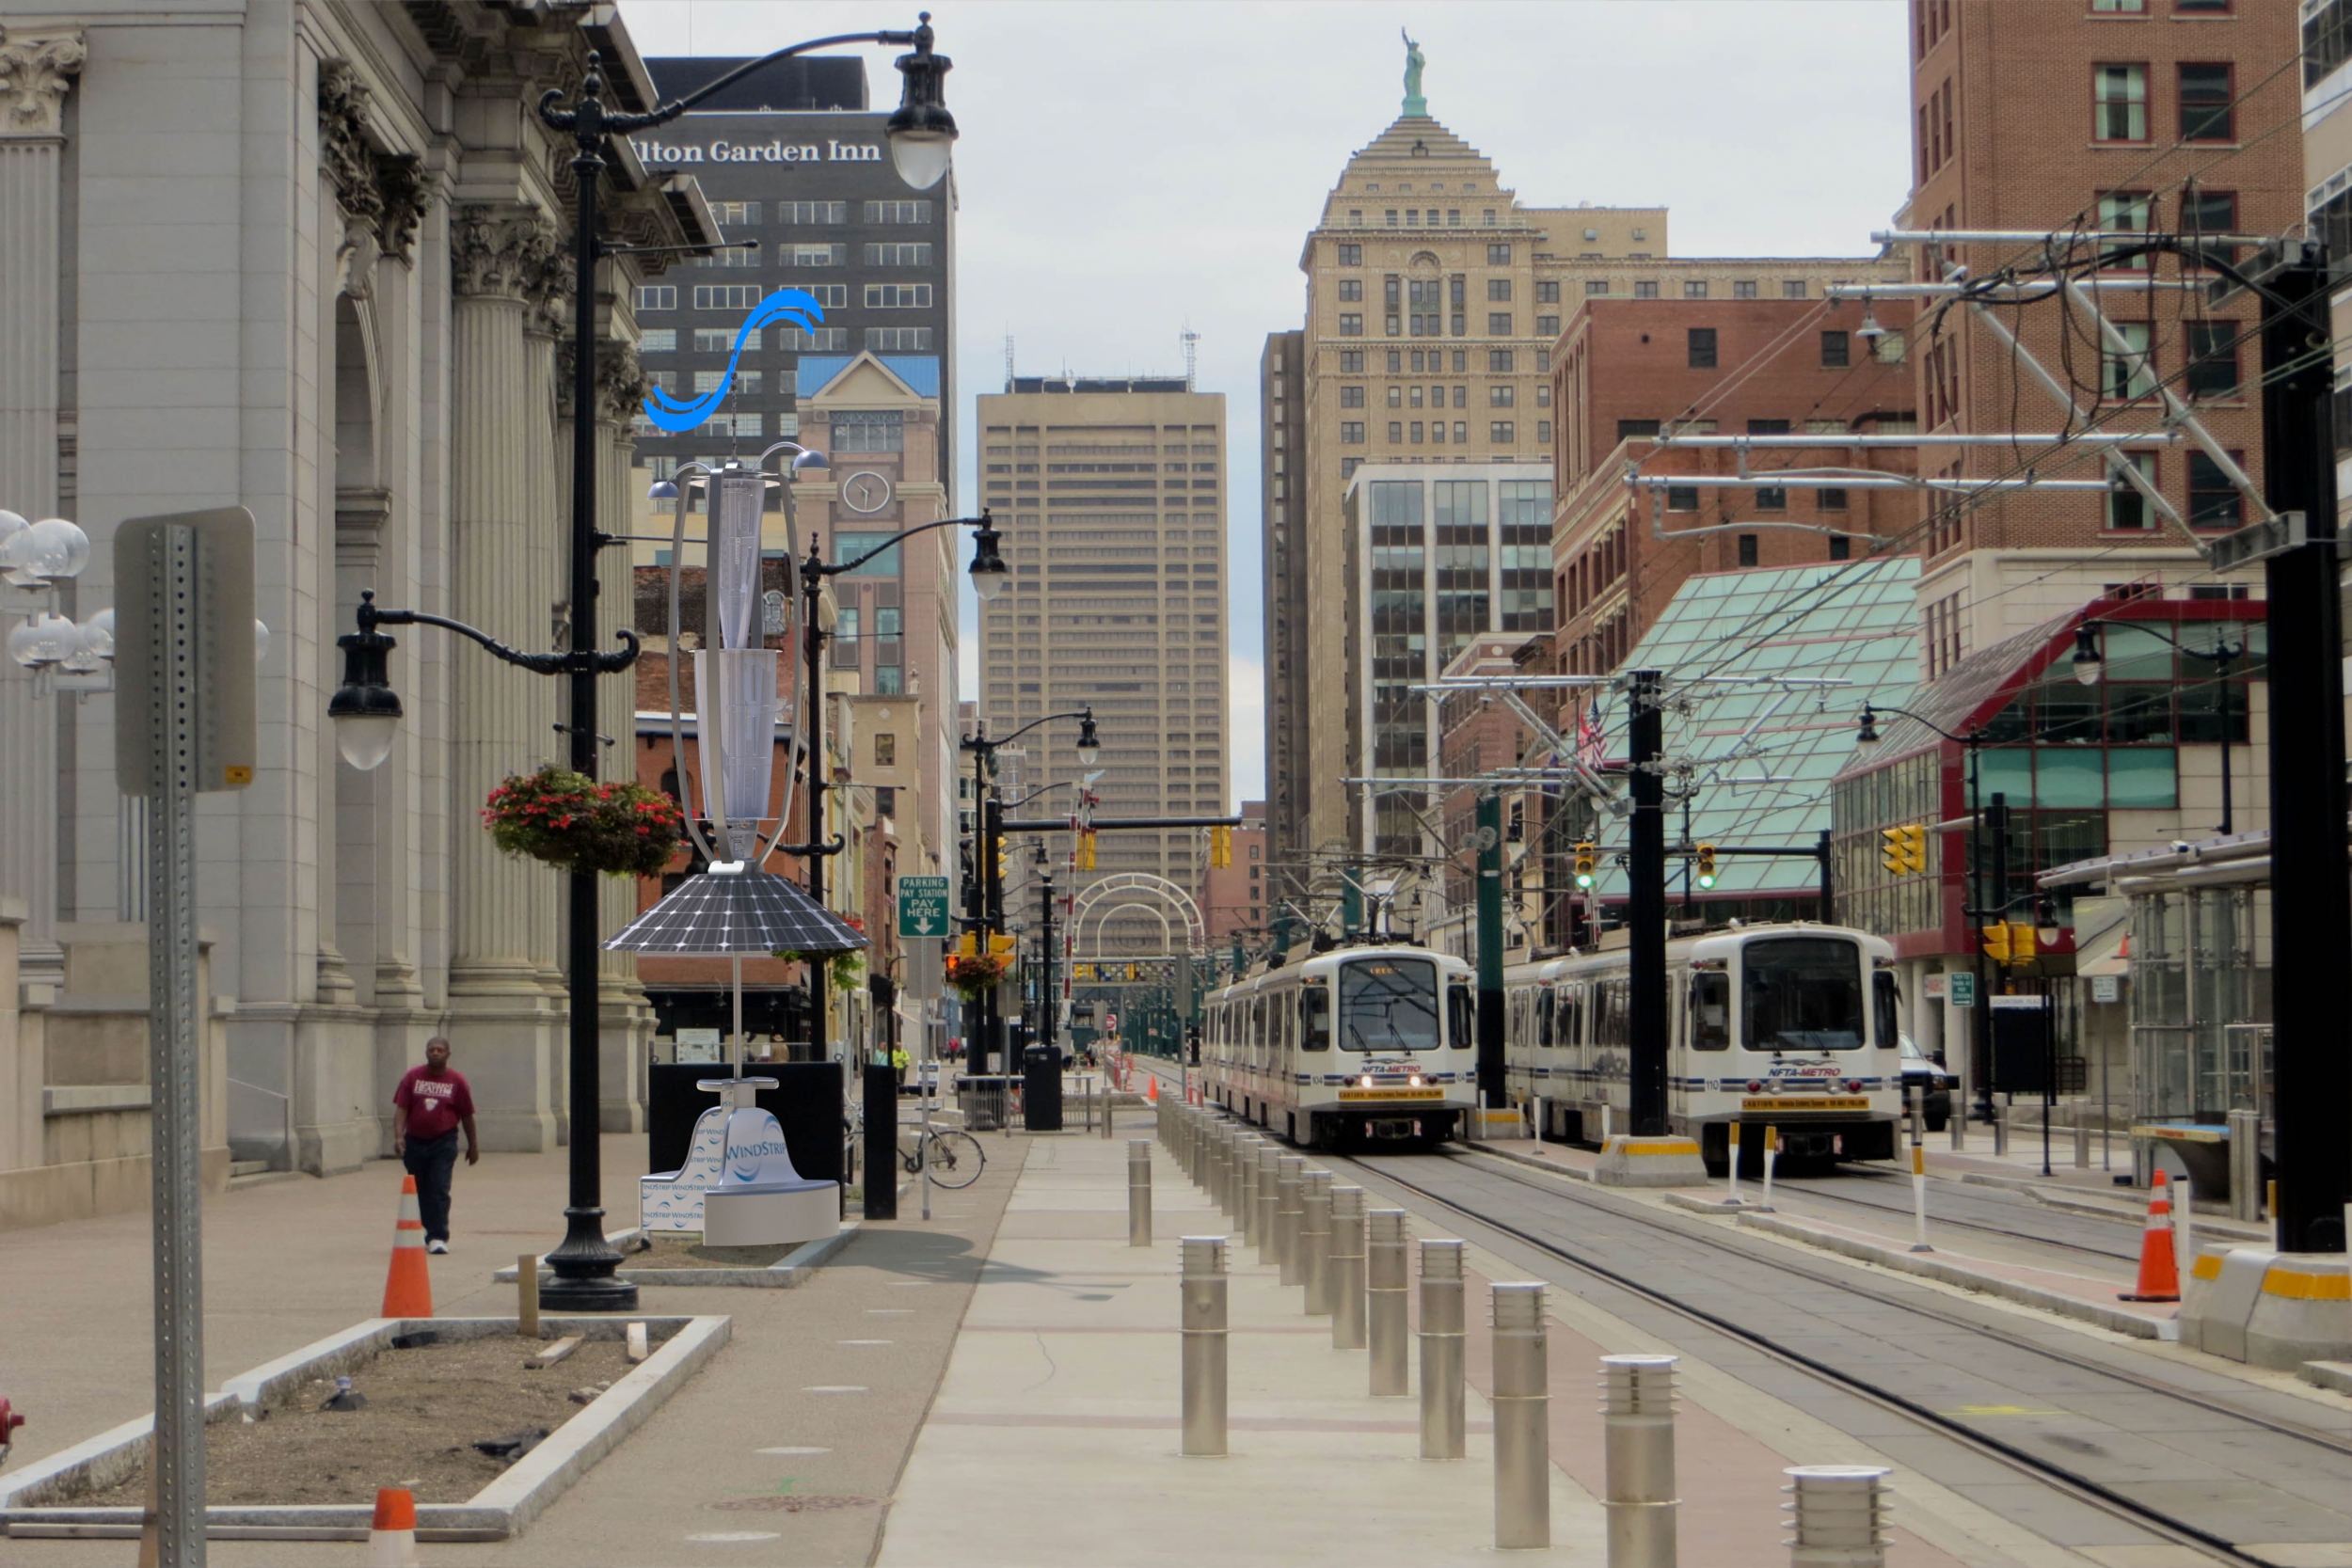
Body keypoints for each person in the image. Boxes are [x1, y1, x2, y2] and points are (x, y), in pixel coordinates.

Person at [391, 1037, 478, 1254]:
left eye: (440, 1050)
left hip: (444, 1141)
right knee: (419, 1189)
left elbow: (467, 1115)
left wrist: (473, 1145)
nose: (435, 1053)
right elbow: (402, 1109)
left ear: (448, 1054)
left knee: (439, 1188)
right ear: (426, 1052)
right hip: (415, 1142)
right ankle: (424, 1229)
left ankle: (438, 1236)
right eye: (431, 1049)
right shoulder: (412, 1077)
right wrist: (399, 1137)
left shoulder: (457, 1081)